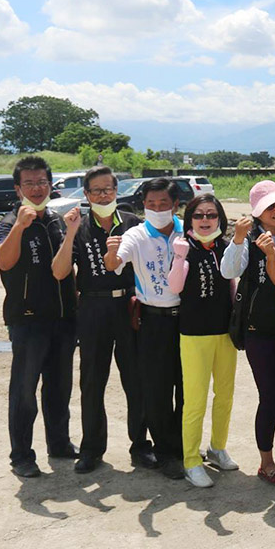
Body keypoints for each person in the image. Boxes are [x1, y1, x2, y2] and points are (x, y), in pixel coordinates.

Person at [52, 164, 153, 474]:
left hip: (129, 308)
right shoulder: (77, 226)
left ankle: (141, 446)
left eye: (108, 188)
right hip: (93, 310)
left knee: (136, 380)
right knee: (92, 382)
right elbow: (59, 271)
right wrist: (69, 234)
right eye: (96, 190)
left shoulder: (134, 224)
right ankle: (92, 449)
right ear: (86, 194)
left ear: (116, 190)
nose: (103, 194)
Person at [221, 180, 275, 486]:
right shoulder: (247, 240)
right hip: (261, 332)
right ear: (257, 213)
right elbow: (229, 271)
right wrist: (237, 238)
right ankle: (266, 461)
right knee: (271, 396)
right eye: (270, 206)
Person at [0, 156, 78, 478]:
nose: (37, 188)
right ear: (18, 189)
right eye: (29, 183)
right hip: (28, 322)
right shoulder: (6, 223)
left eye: (42, 182)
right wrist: (19, 226)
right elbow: (5, 262)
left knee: (59, 388)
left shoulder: (57, 221)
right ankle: (22, 456)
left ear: (50, 185)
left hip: (63, 319)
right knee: (24, 392)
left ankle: (59, 444)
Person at [104, 177, 186, 479]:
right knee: (158, 389)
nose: (157, 209)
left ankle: (183, 445)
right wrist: (112, 254)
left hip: (187, 321)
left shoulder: (186, 230)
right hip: (153, 322)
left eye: (163, 204)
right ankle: (165, 453)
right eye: (150, 204)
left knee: (188, 388)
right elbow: (115, 263)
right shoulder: (136, 235)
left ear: (175, 205)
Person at [167, 193, 238, 488]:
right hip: (194, 334)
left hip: (225, 333)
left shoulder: (224, 247)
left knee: (225, 395)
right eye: (199, 215)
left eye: (211, 215)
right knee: (194, 401)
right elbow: (174, 287)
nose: (206, 220)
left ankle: (217, 447)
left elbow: (233, 284)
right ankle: (191, 460)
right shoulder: (185, 247)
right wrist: (180, 256)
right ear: (189, 220)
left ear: (220, 218)